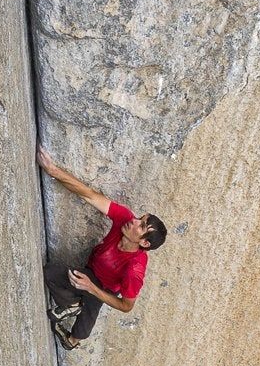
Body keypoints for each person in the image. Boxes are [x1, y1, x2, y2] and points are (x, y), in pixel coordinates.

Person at [37, 144, 167, 350]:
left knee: (83, 327)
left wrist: (92, 288)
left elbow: (127, 306)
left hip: (104, 288)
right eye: (139, 218)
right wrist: (53, 170)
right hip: (91, 271)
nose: (133, 220)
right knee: (51, 273)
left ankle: (73, 334)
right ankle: (73, 305)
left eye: (141, 225)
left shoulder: (135, 269)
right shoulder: (124, 218)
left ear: (144, 243)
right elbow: (89, 195)